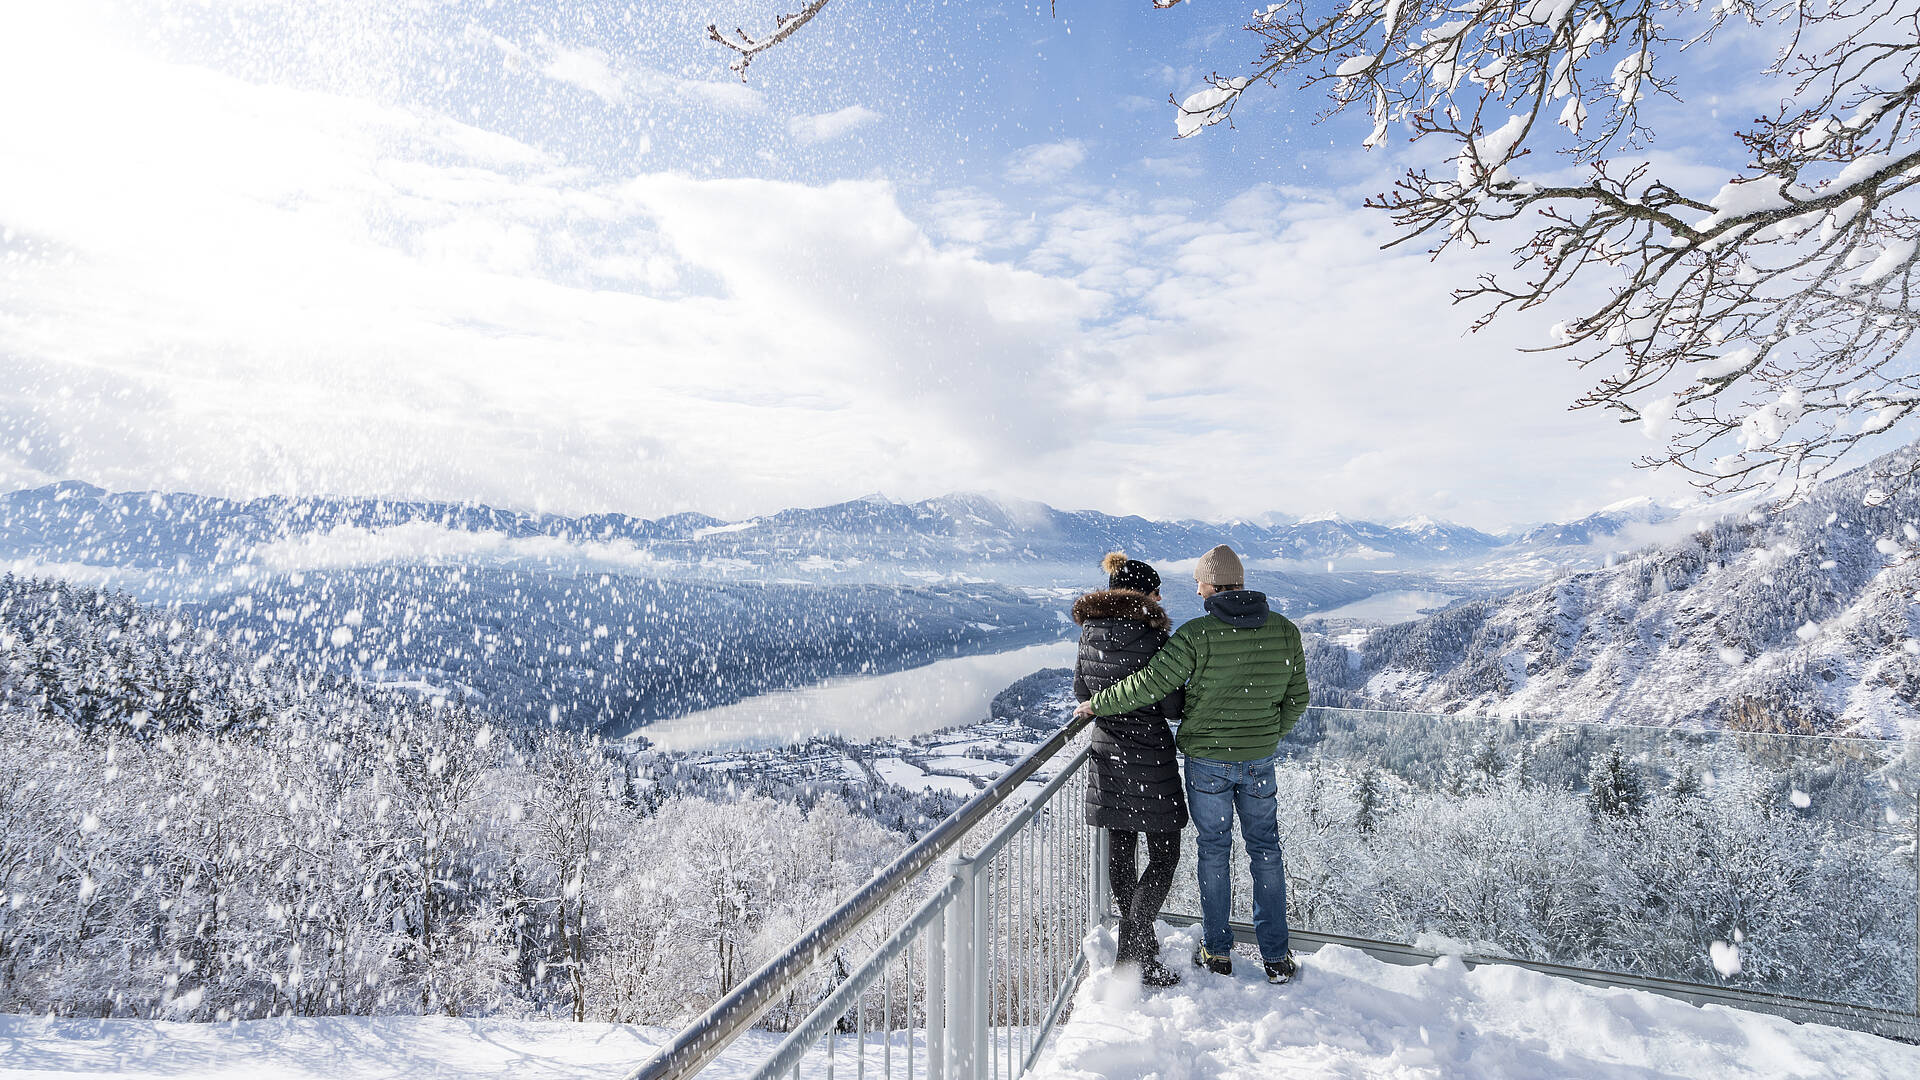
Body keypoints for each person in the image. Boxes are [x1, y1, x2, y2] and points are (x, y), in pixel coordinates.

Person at [1073, 543, 1309, 985]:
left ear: (1213, 585)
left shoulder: (1195, 635)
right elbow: (1297, 698)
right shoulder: (1285, 630)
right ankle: (1276, 956)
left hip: (1191, 760)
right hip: (1250, 760)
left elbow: (1149, 687)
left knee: (1212, 851)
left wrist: (1098, 703)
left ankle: (1216, 951)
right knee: (1265, 851)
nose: (1194, 590)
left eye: (1199, 581)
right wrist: (1267, 733)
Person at [1072, 552, 1188, 988]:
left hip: (1107, 756)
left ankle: (1137, 947)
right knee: (1164, 855)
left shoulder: (1089, 632)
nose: (1161, 600)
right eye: (1157, 591)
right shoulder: (1156, 638)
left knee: (1121, 856)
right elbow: (1173, 705)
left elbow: (1082, 689)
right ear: (1143, 593)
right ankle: (1132, 956)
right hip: (1150, 758)